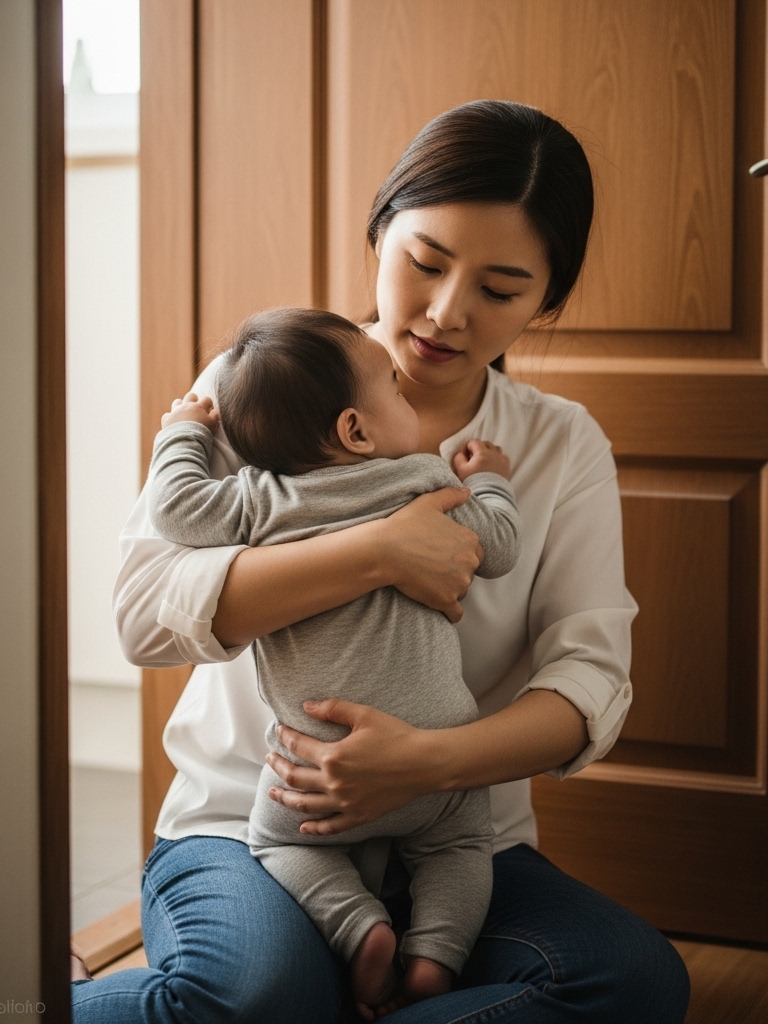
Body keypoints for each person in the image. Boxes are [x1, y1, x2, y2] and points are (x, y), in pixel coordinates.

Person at [77, 99, 690, 1023]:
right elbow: (143, 613)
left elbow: (589, 685)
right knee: (259, 993)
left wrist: (425, 763)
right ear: (380, 234)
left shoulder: (556, 446)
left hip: (451, 836)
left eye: (501, 287)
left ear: (546, 301)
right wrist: (376, 551)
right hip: (254, 826)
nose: (446, 314)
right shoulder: (267, 384)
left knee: (630, 981)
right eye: (426, 263)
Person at [144, 305, 523, 1017]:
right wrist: (492, 479)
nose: (409, 393)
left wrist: (183, 434)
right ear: (356, 429)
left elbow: (179, 511)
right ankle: (435, 956)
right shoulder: (422, 481)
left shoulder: (262, 501)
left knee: (278, 844)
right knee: (463, 845)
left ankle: (360, 929)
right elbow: (499, 546)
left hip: (311, 771)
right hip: (435, 755)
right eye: (396, 391)